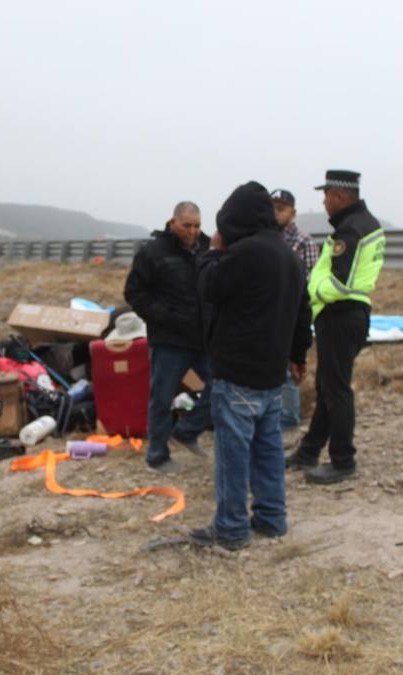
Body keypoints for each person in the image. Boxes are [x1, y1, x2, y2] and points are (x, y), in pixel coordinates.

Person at [189, 181, 312, 550]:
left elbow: (209, 287)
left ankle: (231, 529)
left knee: (233, 455)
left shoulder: (245, 253)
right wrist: (298, 355)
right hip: (271, 375)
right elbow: (302, 313)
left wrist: (212, 252)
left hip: (237, 373)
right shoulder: (288, 255)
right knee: (268, 450)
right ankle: (272, 518)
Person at [287, 170, 386, 484]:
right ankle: (309, 451)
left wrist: (312, 292)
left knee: (336, 389)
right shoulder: (358, 224)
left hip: (341, 314)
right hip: (343, 315)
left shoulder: (352, 229)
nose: (324, 202)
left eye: (326, 195)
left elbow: (342, 282)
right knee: (328, 386)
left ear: (340, 196)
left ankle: (343, 460)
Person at [123, 201, 213, 474]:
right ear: (173, 223)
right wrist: (164, 316)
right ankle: (157, 456)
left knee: (222, 385)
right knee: (162, 398)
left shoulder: (207, 248)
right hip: (169, 340)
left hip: (203, 338)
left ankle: (187, 431)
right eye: (187, 226)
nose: (192, 231)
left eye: (197, 226)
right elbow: (134, 293)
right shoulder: (152, 252)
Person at [270, 188, 321, 433]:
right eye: (272, 208)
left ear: (293, 213)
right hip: (267, 314)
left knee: (288, 369)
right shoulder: (263, 238)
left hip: (290, 314)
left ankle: (288, 422)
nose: (275, 213)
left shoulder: (303, 241)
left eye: (281, 209)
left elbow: (308, 283)